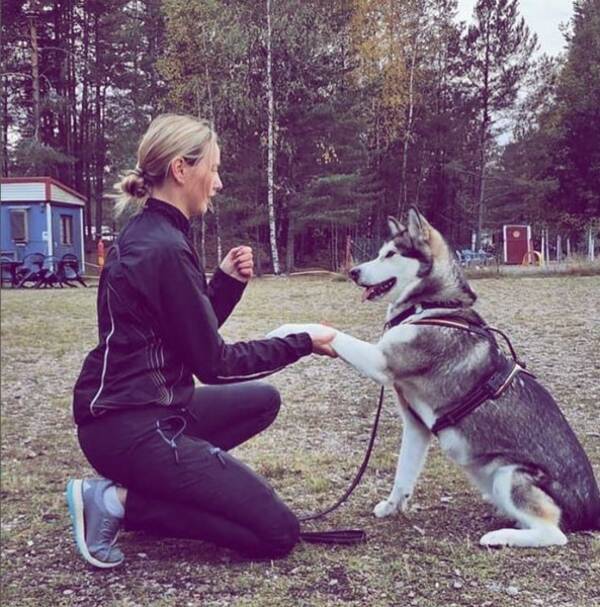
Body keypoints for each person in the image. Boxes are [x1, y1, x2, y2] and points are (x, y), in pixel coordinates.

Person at [66, 113, 336, 568]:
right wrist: (301, 341)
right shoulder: (164, 247)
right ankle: (116, 502)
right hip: (131, 426)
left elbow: (183, 334)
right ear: (180, 169)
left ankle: (160, 481)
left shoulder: (154, 235)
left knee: (262, 400)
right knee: (276, 533)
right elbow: (213, 363)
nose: (218, 182)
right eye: (212, 167)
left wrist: (225, 284)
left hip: (143, 411)